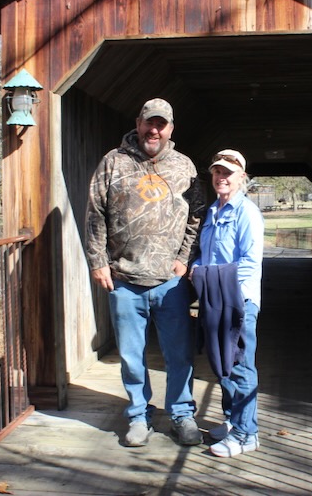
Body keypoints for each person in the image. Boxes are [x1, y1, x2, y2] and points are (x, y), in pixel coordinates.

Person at [86, 98, 205, 447]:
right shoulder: (113, 161)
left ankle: (182, 414)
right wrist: (97, 261)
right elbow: (95, 213)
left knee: (179, 353)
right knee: (131, 354)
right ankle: (139, 415)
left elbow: (197, 215)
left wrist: (184, 257)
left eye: (161, 124)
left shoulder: (185, 166)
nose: (154, 130)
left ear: (170, 129)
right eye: (149, 122)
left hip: (170, 282)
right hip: (124, 279)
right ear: (138, 123)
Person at [191, 149, 264, 458]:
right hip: (213, 300)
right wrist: (195, 267)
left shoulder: (247, 213)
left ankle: (247, 434)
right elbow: (204, 254)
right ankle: (234, 423)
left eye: (228, 173)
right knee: (223, 365)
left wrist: (207, 277)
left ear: (241, 178)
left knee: (241, 366)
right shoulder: (211, 212)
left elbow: (249, 263)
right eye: (217, 172)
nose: (222, 177)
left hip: (238, 301)